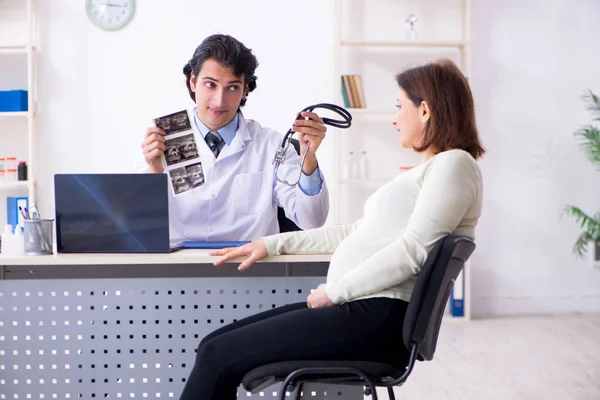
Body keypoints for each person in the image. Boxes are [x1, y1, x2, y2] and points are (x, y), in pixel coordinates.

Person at [178, 58, 485, 400]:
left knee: (217, 354)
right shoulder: (429, 170)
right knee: (212, 346)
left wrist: (336, 292)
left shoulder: (455, 164)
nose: (395, 118)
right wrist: (270, 244)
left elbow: (414, 251)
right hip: (363, 311)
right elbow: (351, 231)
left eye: (400, 106)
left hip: (377, 316)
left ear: (424, 110)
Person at [138, 34, 330, 242]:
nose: (219, 101)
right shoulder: (162, 140)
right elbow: (141, 227)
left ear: (245, 90)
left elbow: (312, 221)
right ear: (193, 82)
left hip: (250, 268)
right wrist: (154, 173)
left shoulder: (270, 145)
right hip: (179, 267)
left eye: (232, 88)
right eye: (210, 85)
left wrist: (308, 157)